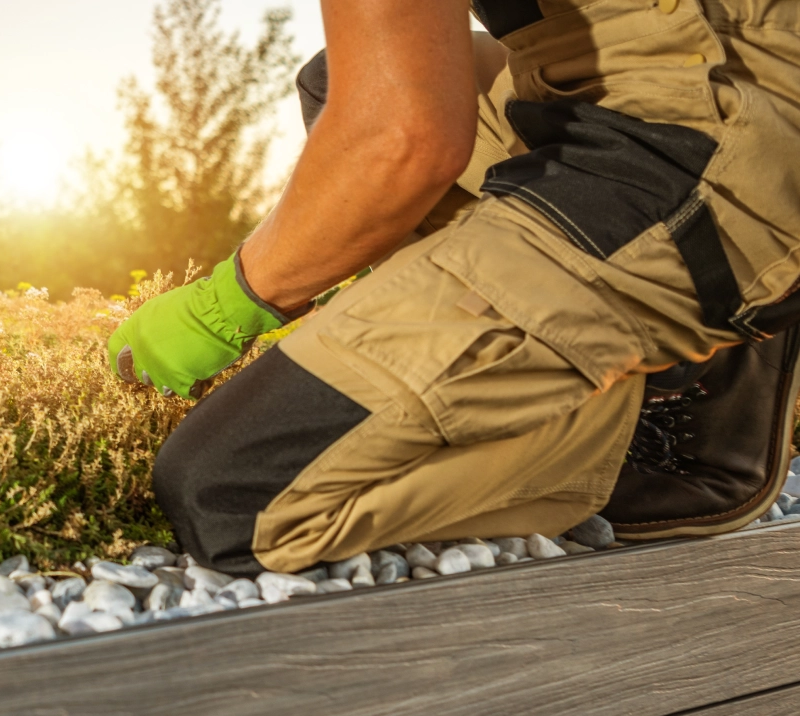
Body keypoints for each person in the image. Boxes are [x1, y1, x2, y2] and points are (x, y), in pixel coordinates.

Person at [108, 0, 800, 576]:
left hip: (703, 153)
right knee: (342, 77)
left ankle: (648, 389)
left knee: (229, 494)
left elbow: (399, 142)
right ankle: (676, 320)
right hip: (704, 73)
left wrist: (225, 303)